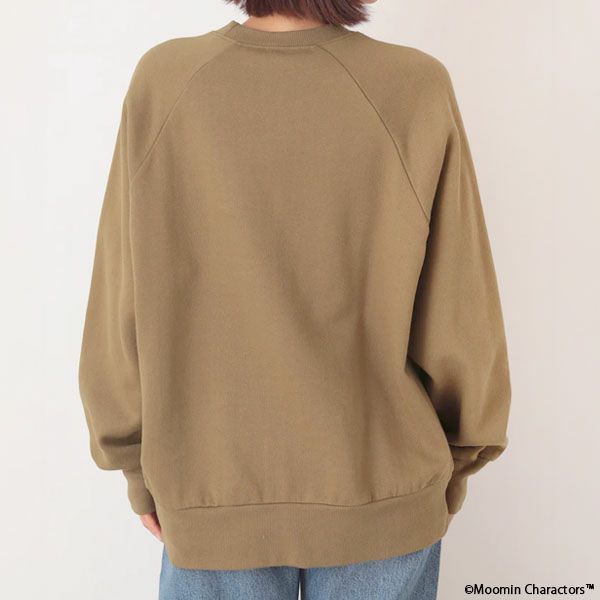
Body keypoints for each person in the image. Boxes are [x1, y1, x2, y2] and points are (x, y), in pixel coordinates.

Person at [78, 0, 512, 598]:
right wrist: (455, 464)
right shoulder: (412, 85)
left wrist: (135, 462)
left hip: (211, 488)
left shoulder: (168, 78)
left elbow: (118, 295)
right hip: (382, 488)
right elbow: (461, 308)